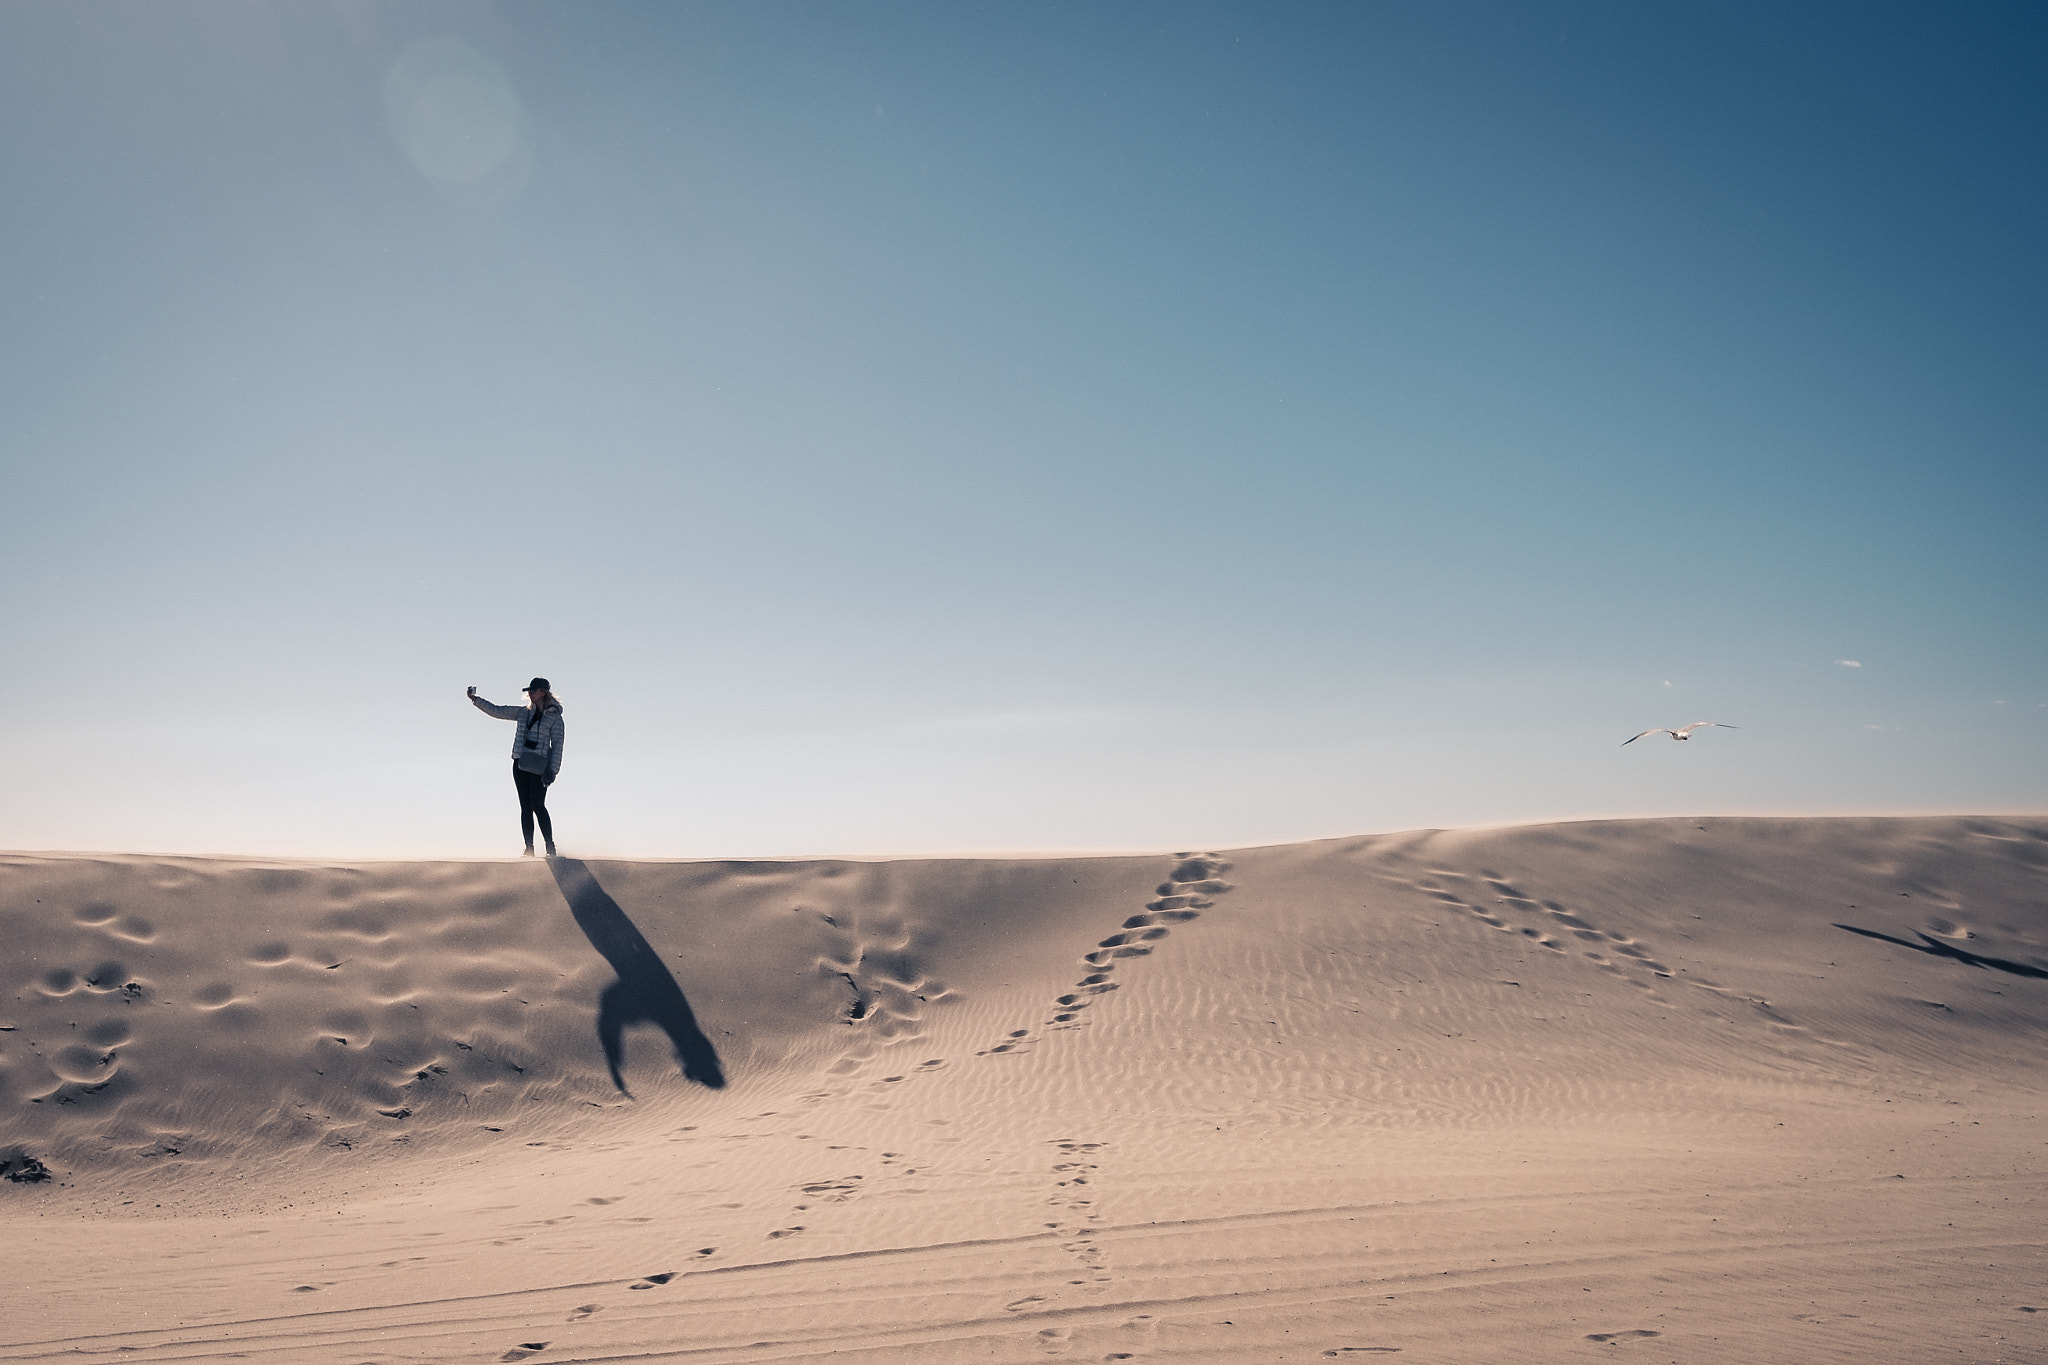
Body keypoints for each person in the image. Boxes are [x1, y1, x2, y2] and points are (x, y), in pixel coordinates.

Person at [467, 678, 565, 857]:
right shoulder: (523, 713)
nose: (530, 693)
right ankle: (529, 849)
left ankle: (550, 847)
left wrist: (553, 770)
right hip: (520, 764)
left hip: (540, 767)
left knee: (538, 804)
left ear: (543, 691)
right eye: (529, 691)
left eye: (534, 690)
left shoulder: (555, 718)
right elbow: (497, 711)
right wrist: (476, 700)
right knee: (525, 807)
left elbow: (558, 745)